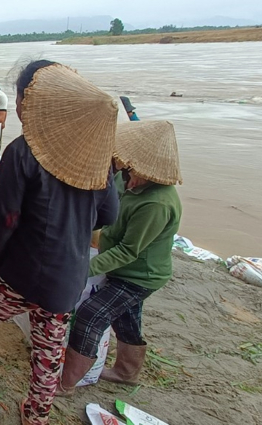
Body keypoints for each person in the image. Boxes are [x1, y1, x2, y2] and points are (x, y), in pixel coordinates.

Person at [0, 60, 119, 425]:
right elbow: (107, 215)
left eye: (19, 97)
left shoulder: (23, 151)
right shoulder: (96, 156)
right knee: (49, 346)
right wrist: (71, 223)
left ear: (33, 101)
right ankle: (36, 414)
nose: (18, 105)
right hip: (68, 277)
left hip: (25, 273)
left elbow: (3, 220)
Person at [58, 120, 182, 397]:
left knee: (91, 314)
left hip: (140, 275)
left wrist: (83, 268)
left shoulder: (157, 203)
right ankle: (127, 372)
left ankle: (66, 383)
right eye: (129, 170)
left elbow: (128, 251)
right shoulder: (126, 178)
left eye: (136, 174)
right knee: (126, 317)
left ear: (154, 174)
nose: (129, 178)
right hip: (116, 262)